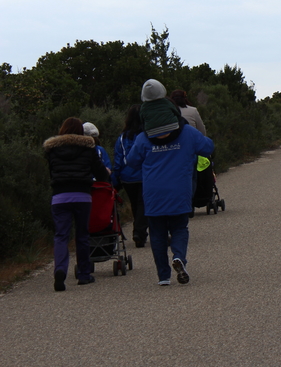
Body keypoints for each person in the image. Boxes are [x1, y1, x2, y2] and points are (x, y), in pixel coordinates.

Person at [128, 79, 215, 286]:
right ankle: (179, 258)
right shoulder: (186, 132)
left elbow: (131, 162)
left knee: (157, 233)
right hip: (179, 190)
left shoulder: (143, 138)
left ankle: (163, 276)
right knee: (179, 228)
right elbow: (208, 147)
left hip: (153, 193)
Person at [44, 117, 109, 291]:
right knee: (82, 235)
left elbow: (52, 172)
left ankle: (60, 270)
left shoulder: (51, 150)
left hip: (59, 197)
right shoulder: (88, 149)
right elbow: (101, 174)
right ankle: (84, 275)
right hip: (82, 196)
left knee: (61, 236)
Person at [112, 105, 148, 248]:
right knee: (143, 204)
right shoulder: (145, 136)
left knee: (135, 203)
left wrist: (117, 177)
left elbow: (118, 158)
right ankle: (139, 232)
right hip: (144, 175)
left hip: (127, 177)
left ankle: (140, 230)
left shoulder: (122, 138)